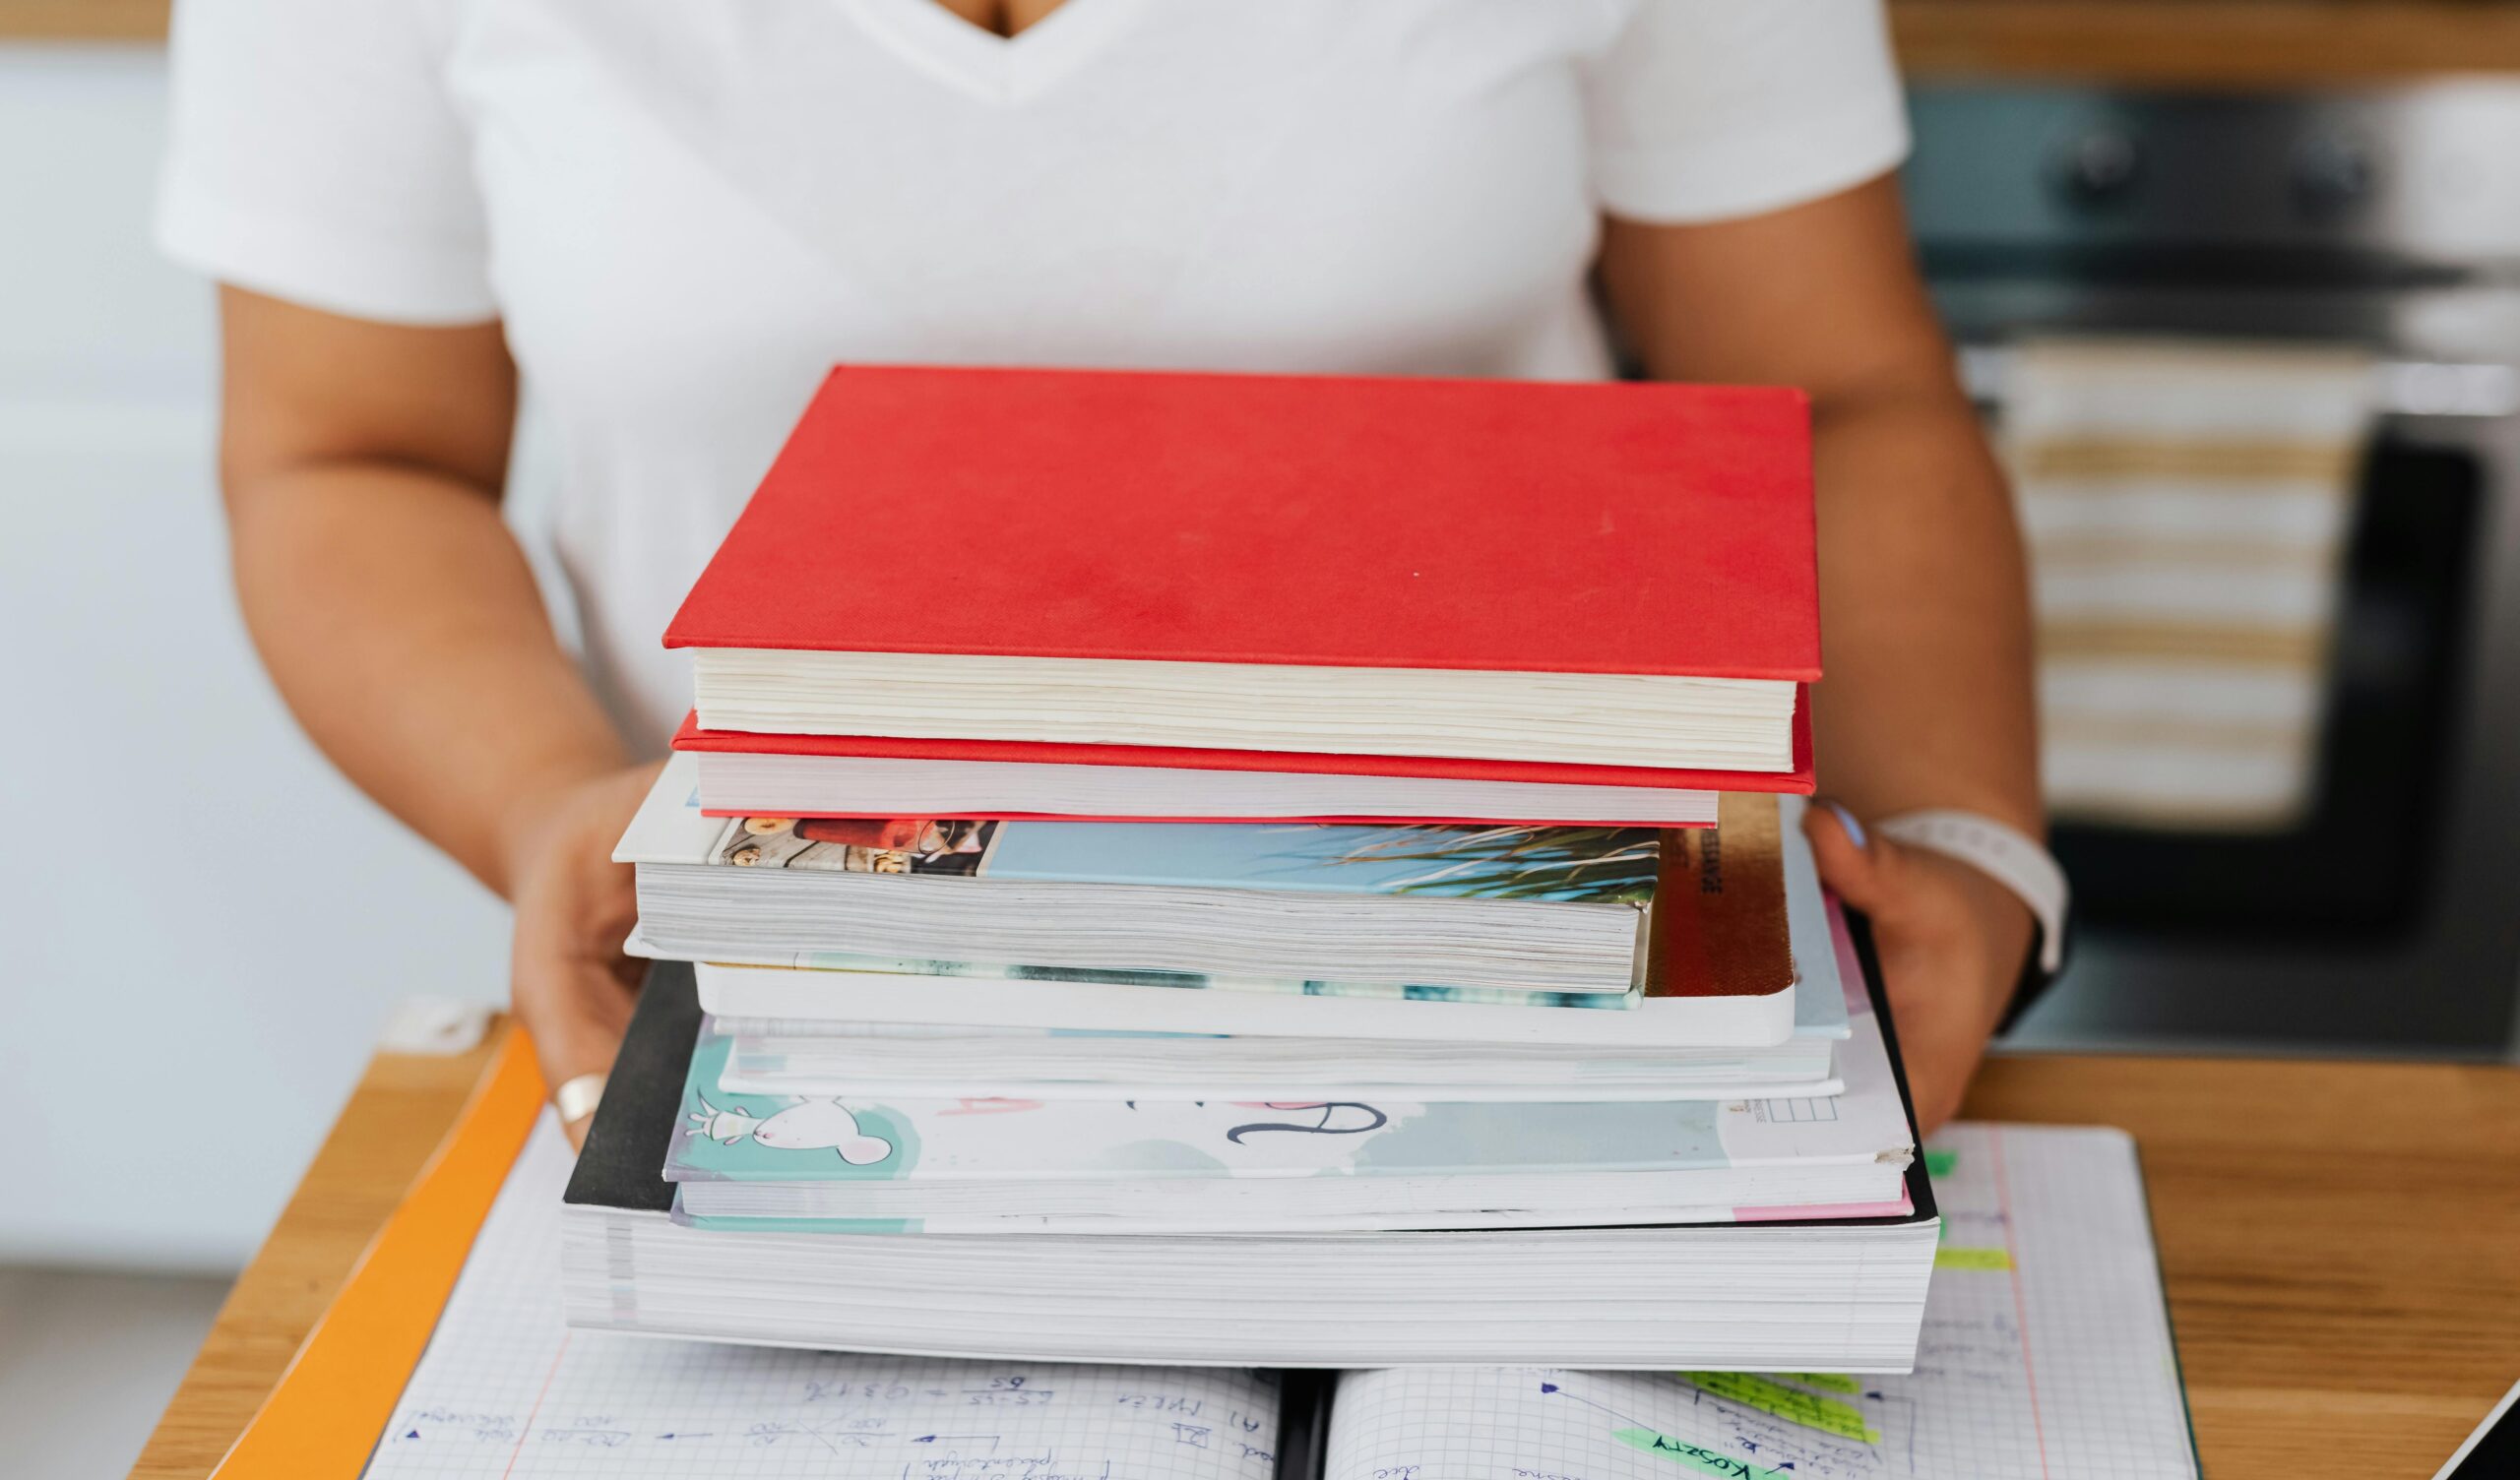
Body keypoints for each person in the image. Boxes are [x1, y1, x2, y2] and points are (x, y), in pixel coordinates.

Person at [161, 0, 2047, 1136]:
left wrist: (1961, 841)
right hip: (769, 1005)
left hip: (1544, 998)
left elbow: (1850, 396)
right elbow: (353, 454)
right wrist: (544, 801)